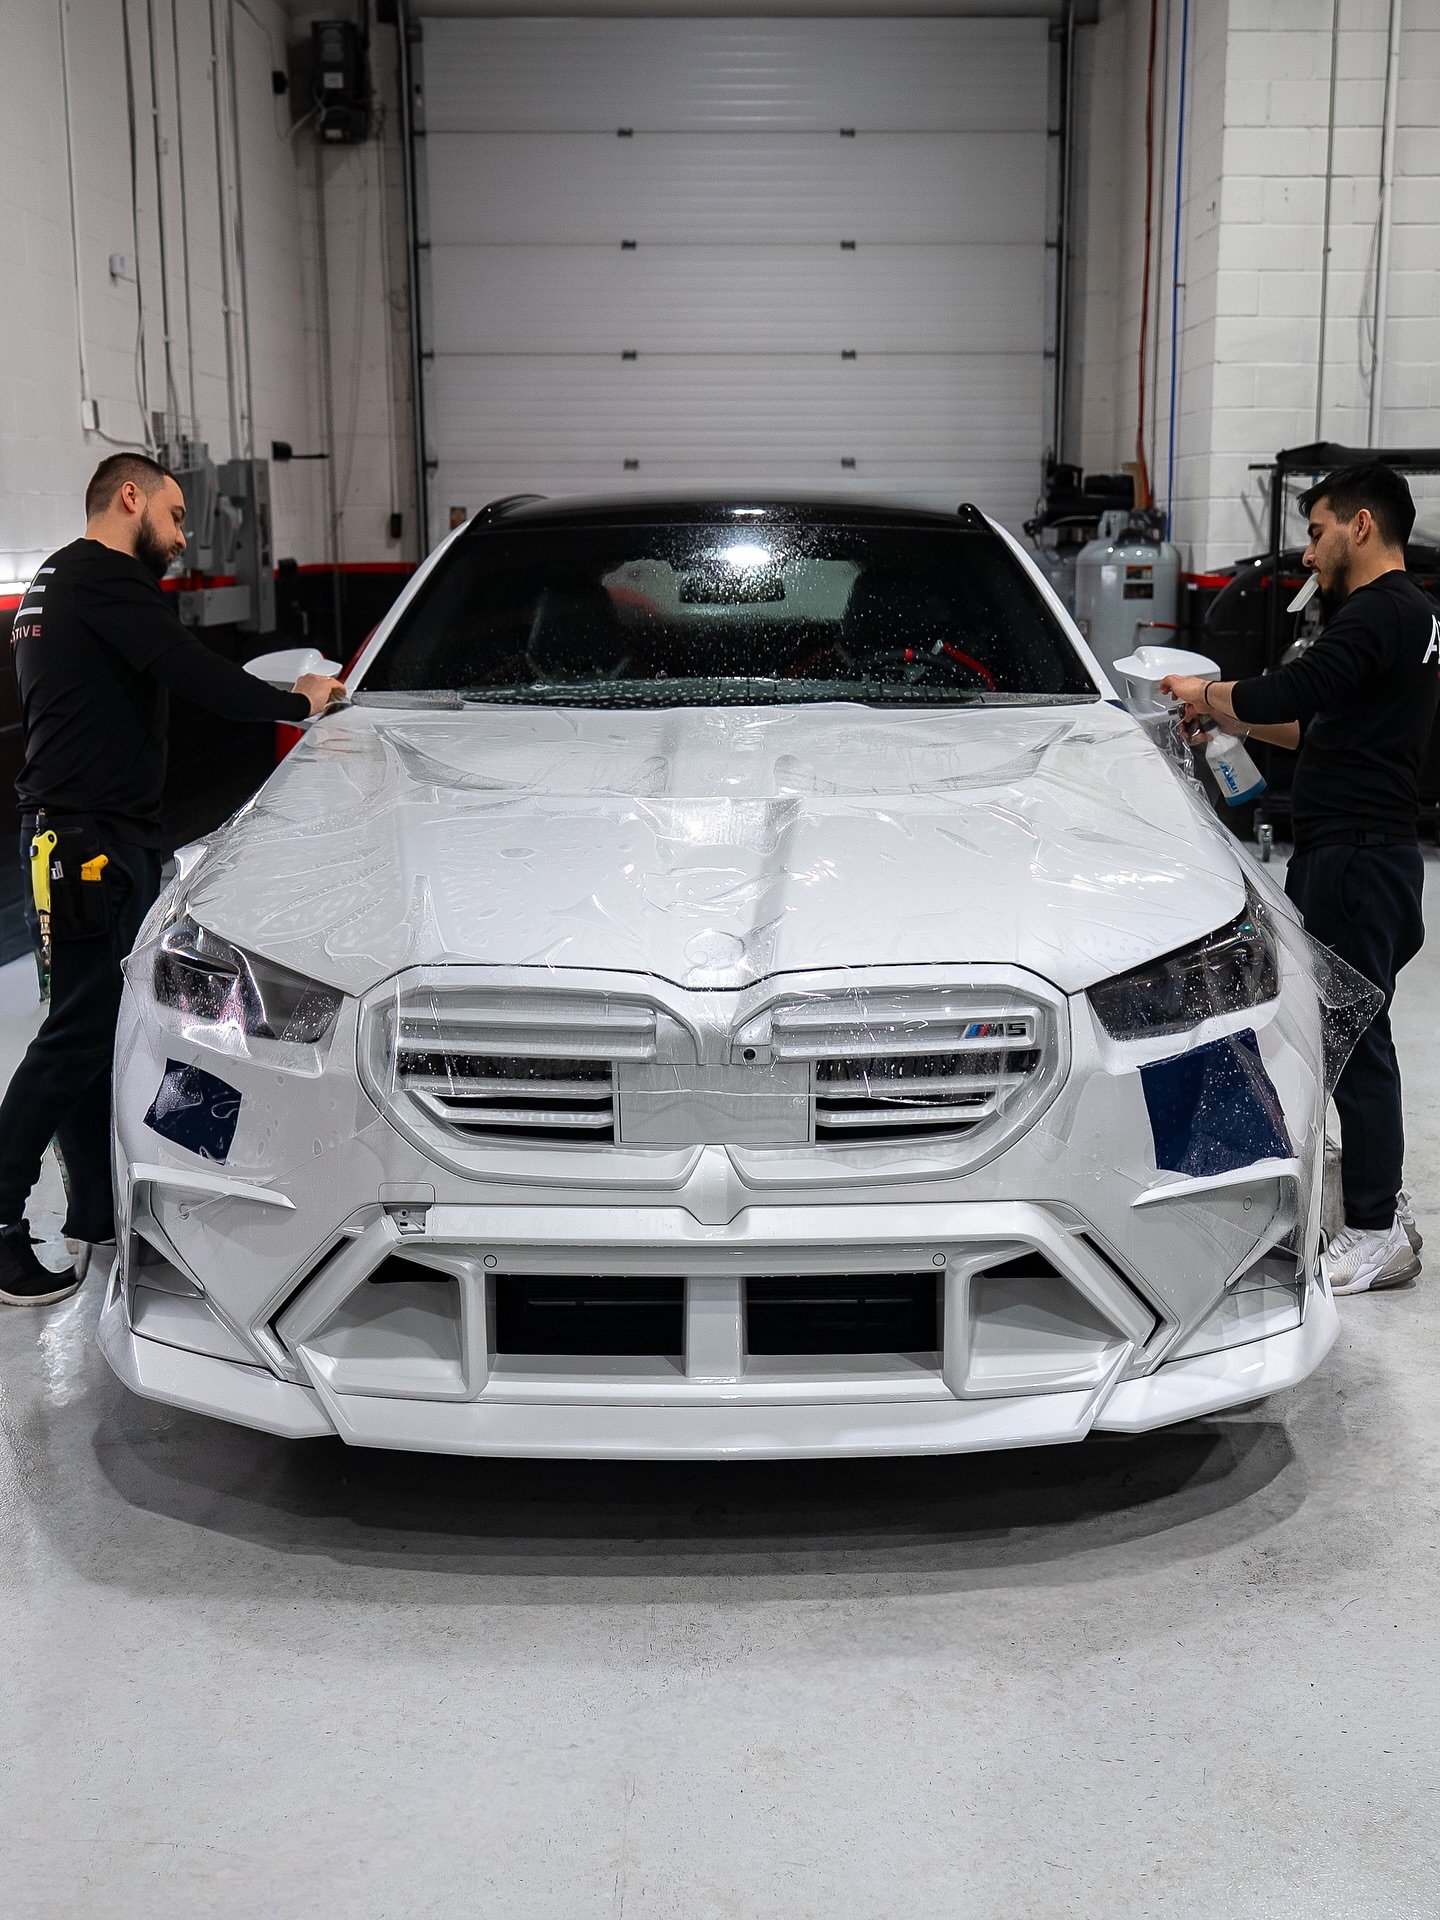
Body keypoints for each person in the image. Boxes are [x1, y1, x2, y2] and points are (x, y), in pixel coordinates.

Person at [0, 452, 346, 1306]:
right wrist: (298, 700)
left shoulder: (54, 582)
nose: (185, 536)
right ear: (130, 498)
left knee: (90, 1033)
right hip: (89, 847)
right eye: (178, 513)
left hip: (71, 840)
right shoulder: (106, 579)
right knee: (77, 1039)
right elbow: (195, 677)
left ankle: (90, 1214)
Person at [1162, 460, 1439, 1296]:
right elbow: (1318, 728)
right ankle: (1376, 1204)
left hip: (1356, 857)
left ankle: (1374, 1230)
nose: (1308, 552)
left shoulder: (1380, 612)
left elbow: (1297, 686)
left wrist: (1205, 690)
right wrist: (1225, 725)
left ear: (1361, 525)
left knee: (1355, 1041)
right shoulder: (1409, 618)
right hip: (1367, 852)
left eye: (1317, 532)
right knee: (1347, 1031)